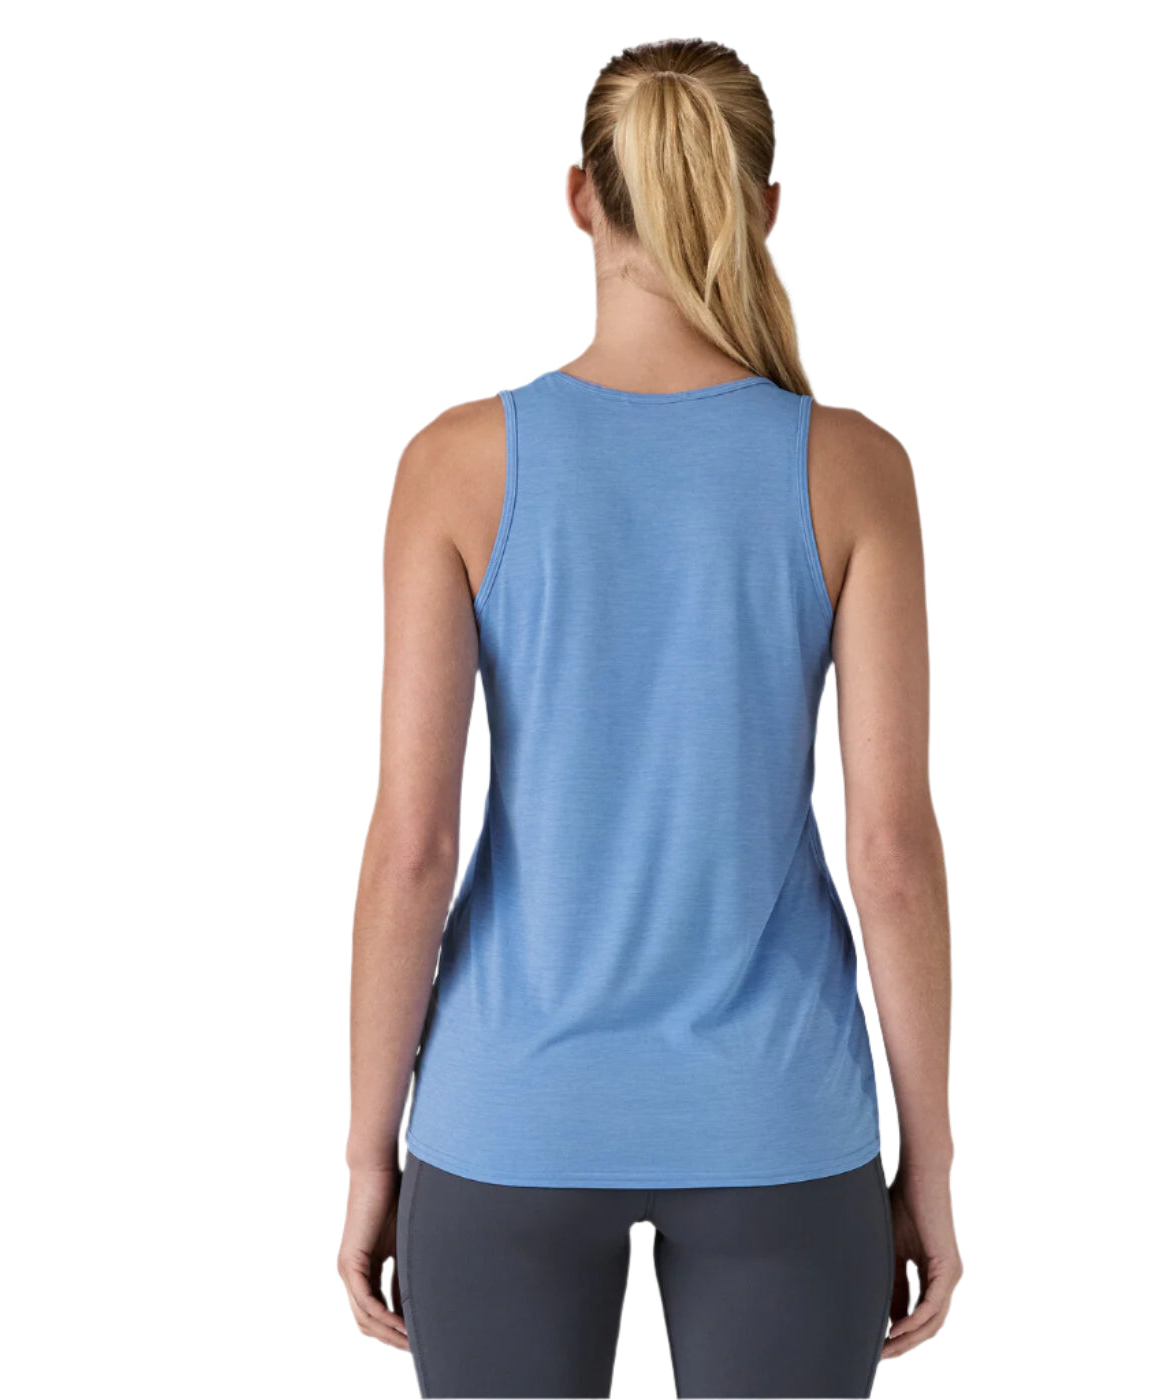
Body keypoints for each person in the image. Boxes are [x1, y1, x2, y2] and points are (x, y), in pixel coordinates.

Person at [338, 37, 960, 1399]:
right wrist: (932, 1157)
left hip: (509, 1116)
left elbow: (411, 851)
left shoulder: (456, 465)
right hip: (777, 1117)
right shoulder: (853, 469)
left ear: (580, 196)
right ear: (765, 207)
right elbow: (894, 856)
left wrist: (368, 1152)